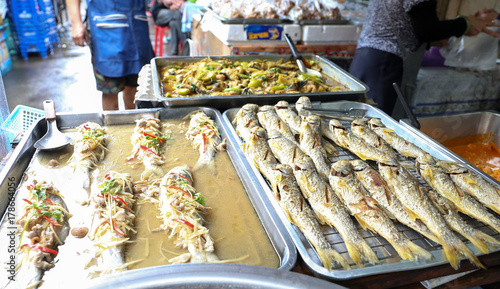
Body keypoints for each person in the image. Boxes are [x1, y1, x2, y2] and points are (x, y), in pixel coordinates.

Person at [349, 0, 500, 115]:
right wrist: (465, 24)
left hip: (367, 58)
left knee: (359, 118)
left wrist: (463, 26)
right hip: (385, 63)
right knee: (375, 125)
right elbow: (427, 30)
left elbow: (415, 26)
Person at [66, 0, 155, 110]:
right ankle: (113, 125)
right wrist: (76, 22)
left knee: (137, 84)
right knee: (110, 87)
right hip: (104, 25)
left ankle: (132, 123)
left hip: (136, 22)